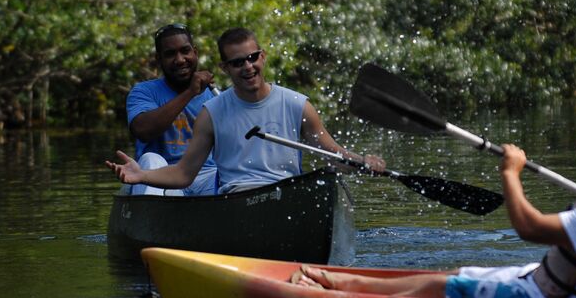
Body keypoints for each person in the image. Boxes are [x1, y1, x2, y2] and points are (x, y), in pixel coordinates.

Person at [290, 112, 576, 298]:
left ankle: (342, 287)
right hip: (548, 280)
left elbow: (528, 227)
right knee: (455, 273)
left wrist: (511, 173)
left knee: (440, 285)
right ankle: (349, 283)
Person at [106, 27, 385, 193]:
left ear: (262, 57)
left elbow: (332, 155)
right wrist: (141, 175)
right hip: (236, 197)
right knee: (153, 159)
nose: (248, 67)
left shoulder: (297, 104)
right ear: (226, 68)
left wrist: (362, 161)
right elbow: (182, 174)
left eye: (252, 58)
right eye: (238, 62)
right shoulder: (212, 111)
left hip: (285, 193)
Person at [124, 23, 218, 196]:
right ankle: (152, 218)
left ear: (195, 53)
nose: (180, 59)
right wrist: (190, 92)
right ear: (159, 59)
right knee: (150, 159)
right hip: (158, 176)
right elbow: (143, 131)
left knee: (232, 176)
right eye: (170, 54)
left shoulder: (217, 97)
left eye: (185, 51)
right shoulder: (143, 91)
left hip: (205, 176)